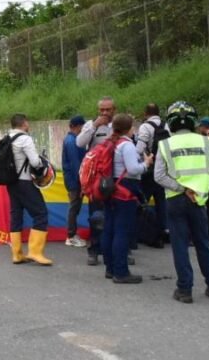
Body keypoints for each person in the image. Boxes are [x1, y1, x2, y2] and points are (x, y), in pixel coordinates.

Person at [154, 101, 209, 303]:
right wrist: (204, 190)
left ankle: (185, 290)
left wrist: (182, 189)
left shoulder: (165, 144)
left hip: (176, 200)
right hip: (199, 200)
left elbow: (159, 175)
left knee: (180, 245)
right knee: (203, 243)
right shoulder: (206, 142)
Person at [100, 113, 149, 284]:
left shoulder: (111, 143)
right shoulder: (126, 146)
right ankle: (121, 271)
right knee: (122, 231)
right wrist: (146, 164)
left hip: (110, 188)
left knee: (109, 229)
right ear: (130, 129)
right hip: (124, 191)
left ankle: (110, 268)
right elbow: (133, 169)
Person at [5, 113, 52, 266]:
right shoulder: (25, 139)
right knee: (41, 213)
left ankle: (17, 254)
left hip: (11, 182)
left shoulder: (6, 138)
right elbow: (35, 162)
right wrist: (41, 163)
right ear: (24, 123)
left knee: (16, 214)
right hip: (25, 182)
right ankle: (35, 252)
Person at [76, 96, 116, 266]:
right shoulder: (90, 125)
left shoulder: (119, 124)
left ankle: (118, 250)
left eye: (108, 109)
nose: (105, 113)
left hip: (117, 177)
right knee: (96, 216)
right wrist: (94, 126)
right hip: (97, 180)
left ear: (114, 109)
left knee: (116, 215)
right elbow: (80, 143)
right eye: (102, 110)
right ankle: (94, 250)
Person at [135, 103, 168, 240]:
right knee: (162, 203)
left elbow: (139, 148)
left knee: (142, 201)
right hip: (164, 169)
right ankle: (164, 231)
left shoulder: (145, 126)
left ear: (145, 113)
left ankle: (140, 233)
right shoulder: (167, 126)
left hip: (149, 169)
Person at [61, 115, 87, 247]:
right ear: (77, 126)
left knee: (75, 207)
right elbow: (75, 164)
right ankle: (71, 235)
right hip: (74, 180)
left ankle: (72, 234)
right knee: (74, 207)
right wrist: (82, 181)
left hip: (74, 179)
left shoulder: (73, 140)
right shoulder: (72, 141)